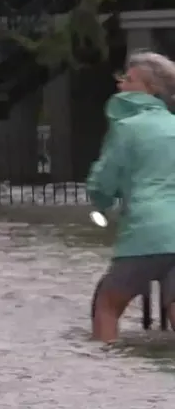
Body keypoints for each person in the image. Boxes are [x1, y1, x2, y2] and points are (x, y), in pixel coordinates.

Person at [88, 50, 175, 342]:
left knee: (108, 303)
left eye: (129, 79)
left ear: (150, 89)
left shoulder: (127, 128)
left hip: (146, 232)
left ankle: (105, 372)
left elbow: (104, 180)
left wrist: (99, 202)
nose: (120, 85)